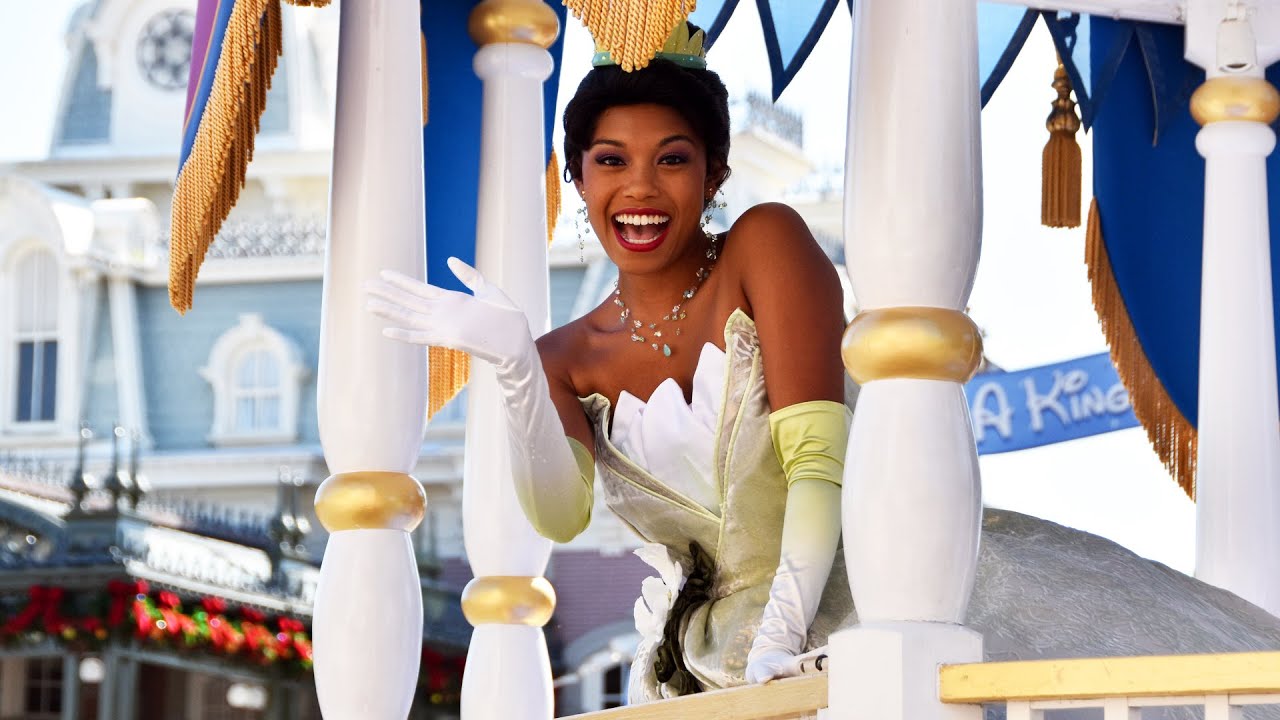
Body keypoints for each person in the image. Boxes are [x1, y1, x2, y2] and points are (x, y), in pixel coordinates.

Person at [366, 21, 854, 700]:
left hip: (849, 623)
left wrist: (780, 638)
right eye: (611, 160)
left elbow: (818, 464)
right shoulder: (564, 359)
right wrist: (515, 367)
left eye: (672, 159)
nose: (641, 189)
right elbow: (561, 516)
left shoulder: (765, 247)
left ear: (715, 171)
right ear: (577, 176)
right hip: (703, 671)